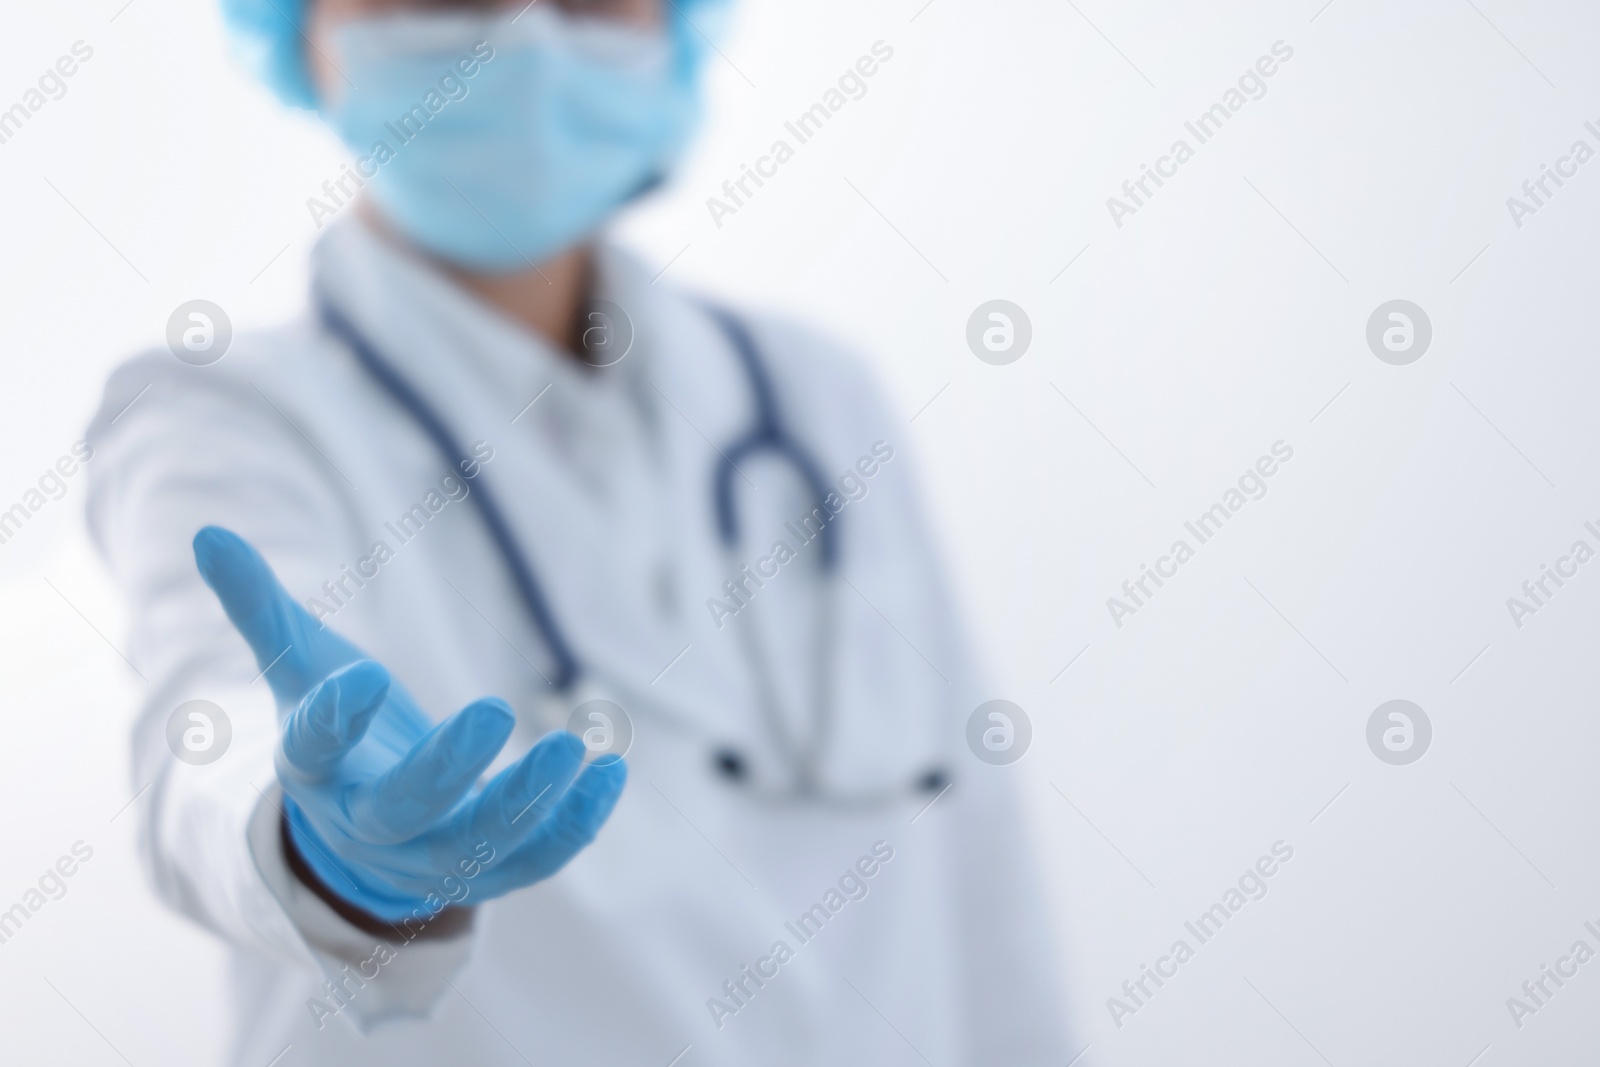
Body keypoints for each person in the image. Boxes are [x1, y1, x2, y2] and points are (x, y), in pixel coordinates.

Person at [86, 0, 1067, 1062]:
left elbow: (980, 882)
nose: (522, 39)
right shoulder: (221, 421)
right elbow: (210, 720)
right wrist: (313, 847)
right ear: (300, 30)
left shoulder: (821, 401)